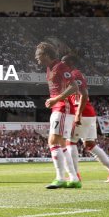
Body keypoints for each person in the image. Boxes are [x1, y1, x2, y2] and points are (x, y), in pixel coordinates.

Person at [62, 53, 109, 183]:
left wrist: (77, 114)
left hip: (82, 112)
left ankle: (75, 175)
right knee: (90, 144)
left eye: (64, 62)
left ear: (71, 62)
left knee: (70, 142)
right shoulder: (70, 77)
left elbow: (84, 95)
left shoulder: (75, 74)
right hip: (88, 113)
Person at [35, 42, 81, 189]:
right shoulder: (49, 69)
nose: (36, 58)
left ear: (46, 55)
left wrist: (56, 99)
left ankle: (60, 178)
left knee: (53, 141)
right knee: (61, 143)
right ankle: (73, 178)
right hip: (58, 108)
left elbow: (74, 87)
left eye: (38, 55)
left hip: (63, 107)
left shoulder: (60, 66)